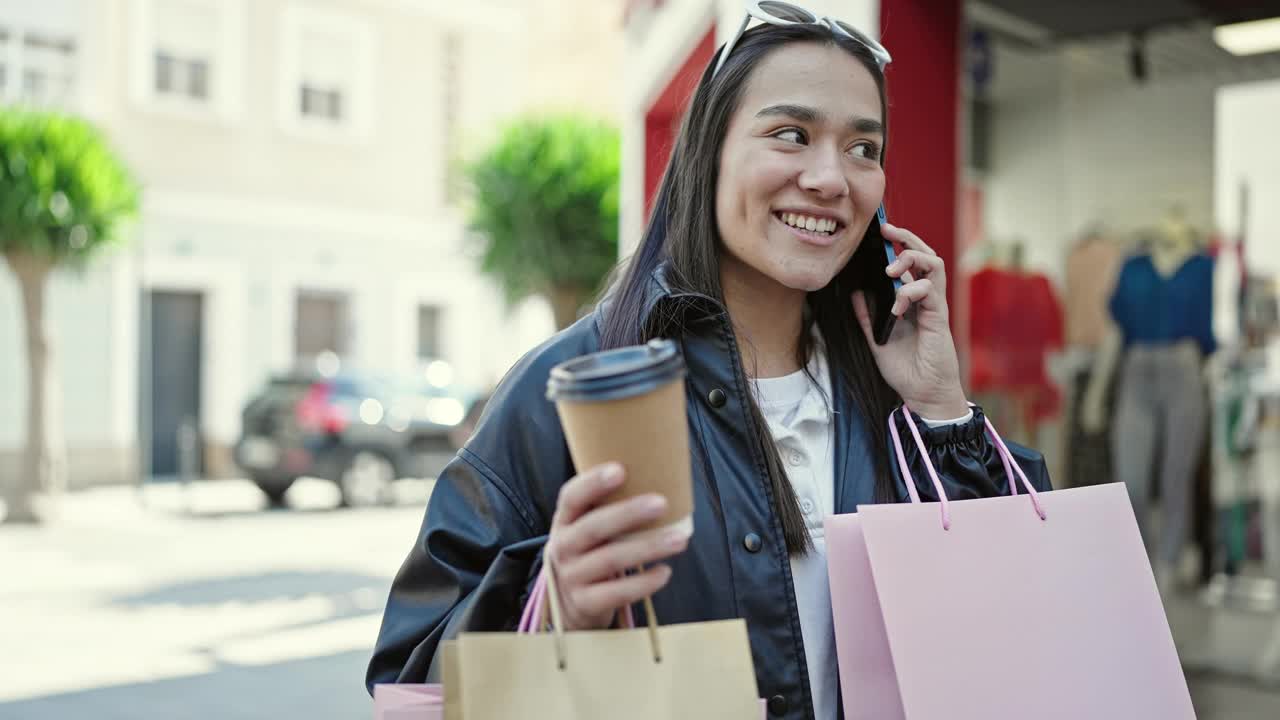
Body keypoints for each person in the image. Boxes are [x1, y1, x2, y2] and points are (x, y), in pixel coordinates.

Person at [367, 4, 1051, 719]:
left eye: (863, 148)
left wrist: (942, 408)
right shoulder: (570, 387)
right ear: (710, 151)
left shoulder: (891, 388)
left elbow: (1011, 619)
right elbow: (413, 673)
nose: (831, 178)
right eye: (791, 134)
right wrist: (553, 608)